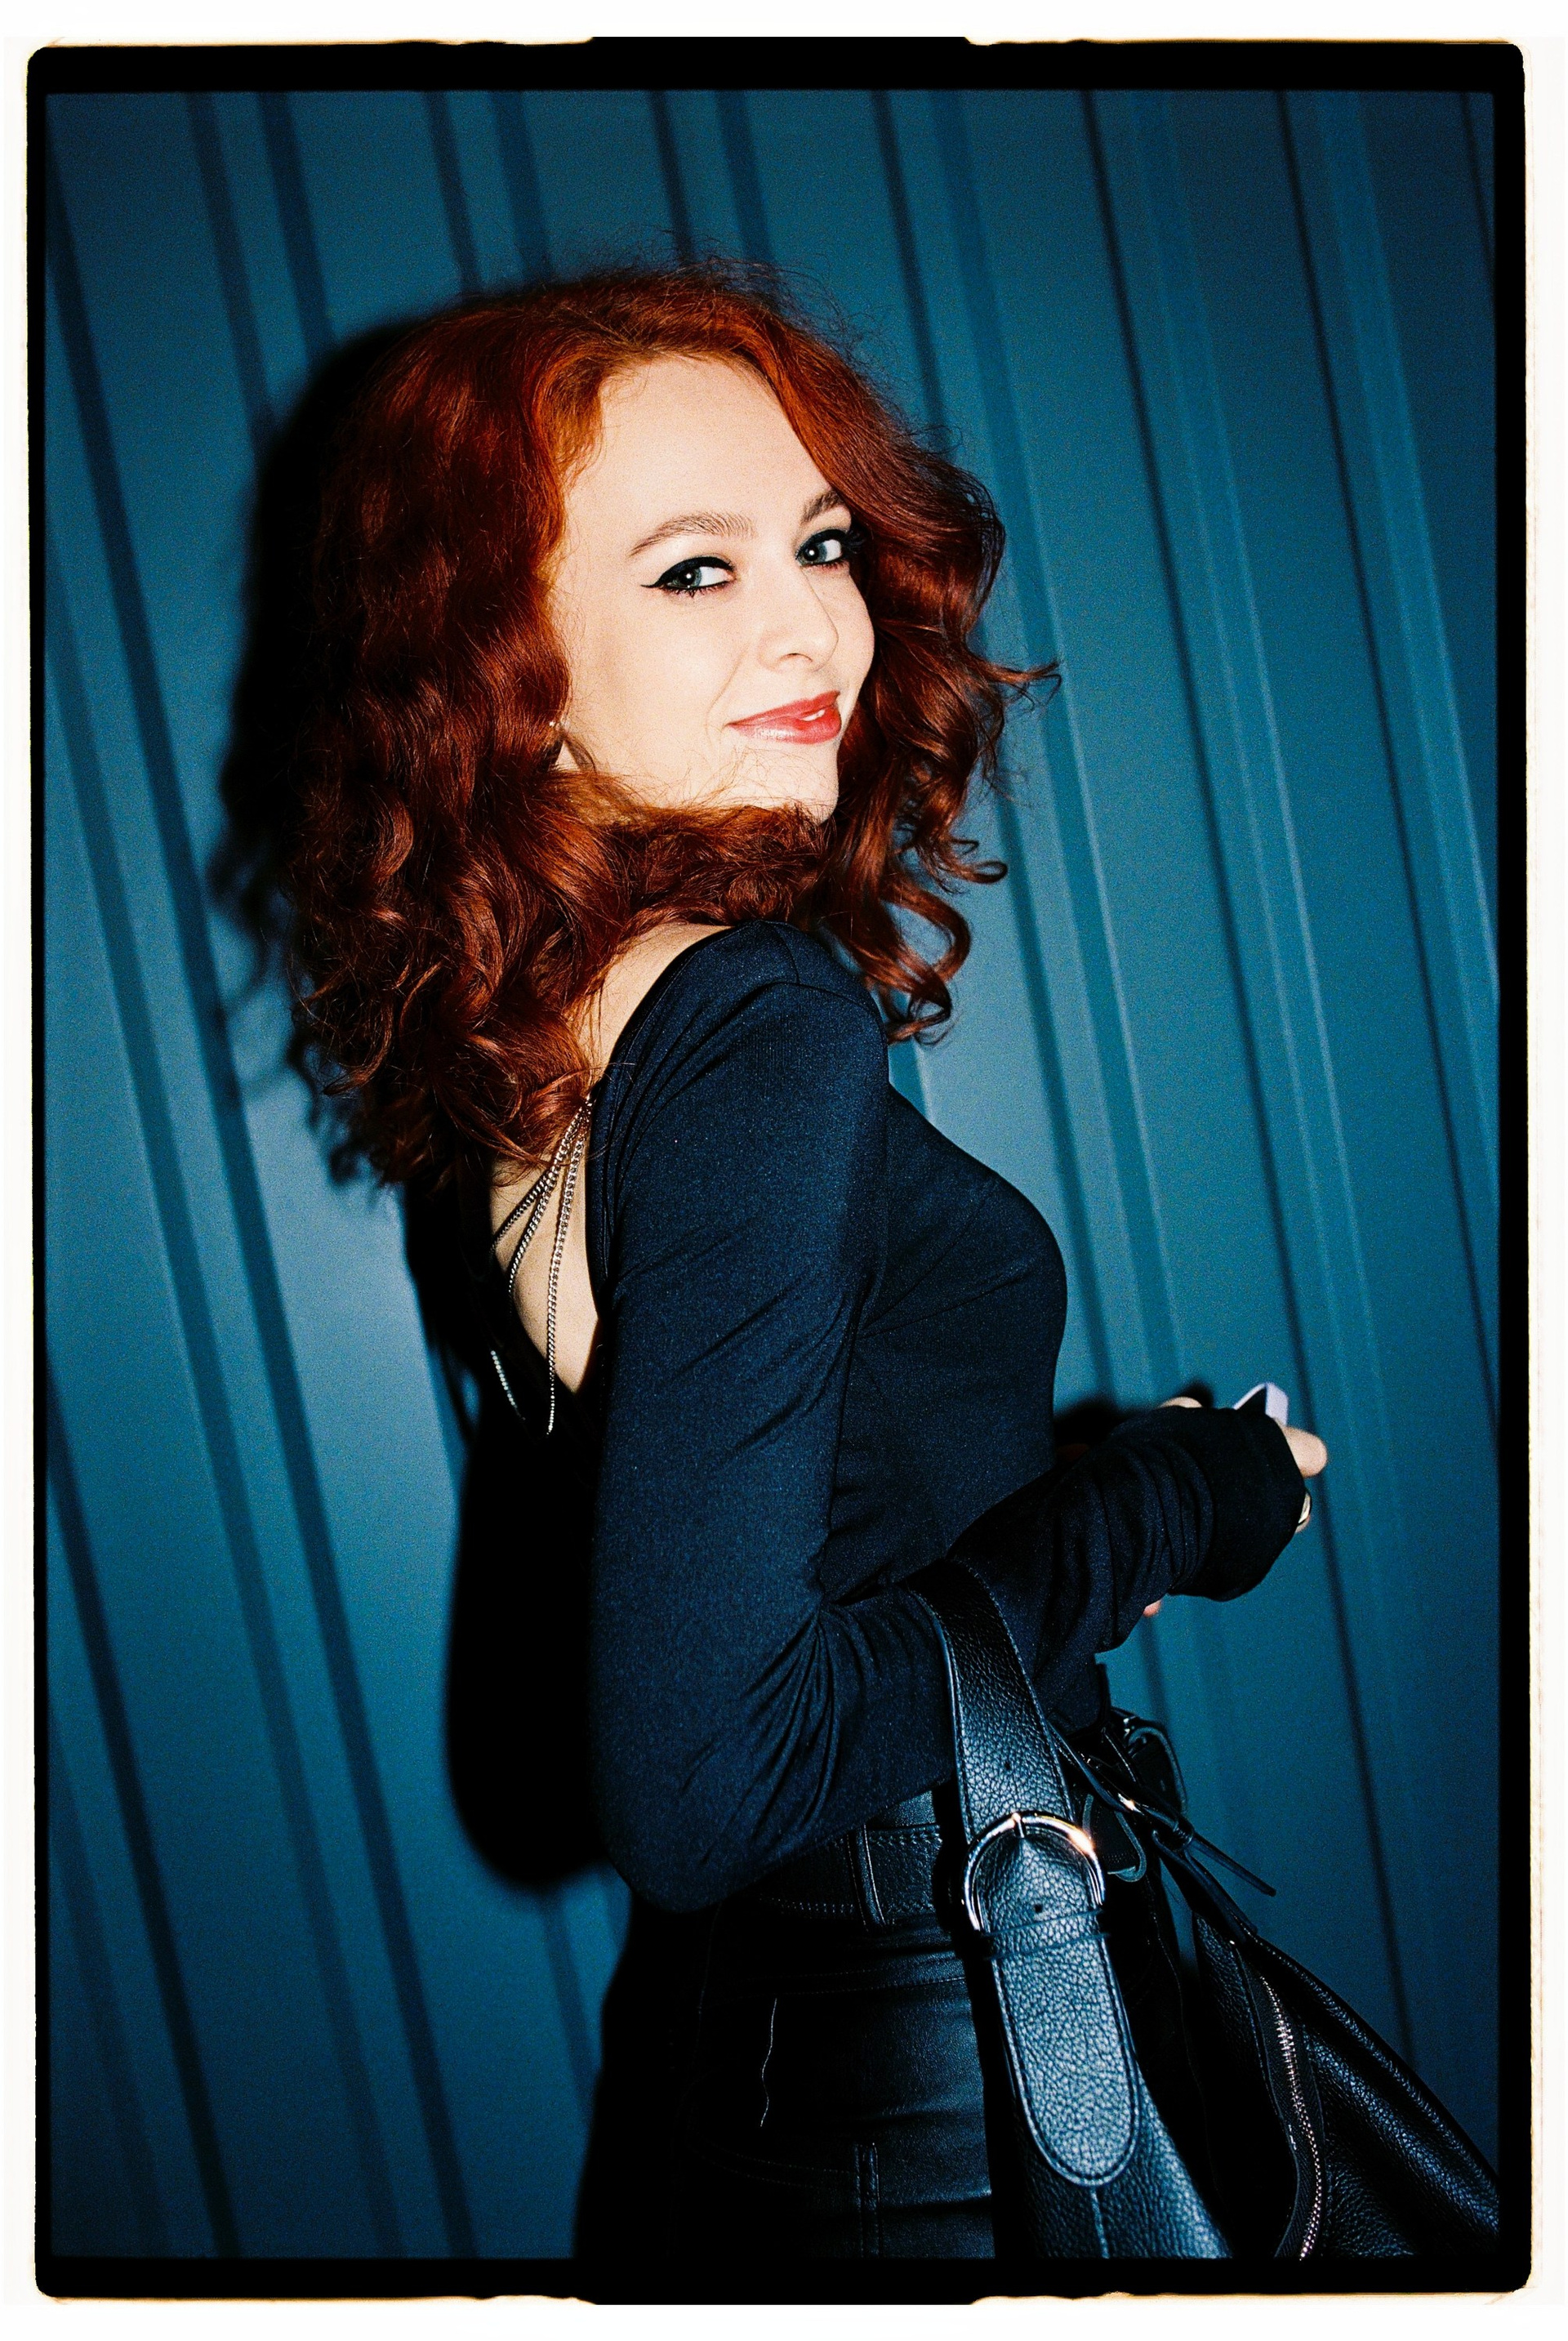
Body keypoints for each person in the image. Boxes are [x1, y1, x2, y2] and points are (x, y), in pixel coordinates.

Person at [286, 264, 1326, 2261]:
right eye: (697, 568)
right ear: (507, 661)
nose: (814, 626)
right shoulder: (757, 1022)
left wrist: (1054, 1510)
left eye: (825, 543)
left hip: (754, 2069)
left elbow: (797, 1531)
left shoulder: (552, 1023)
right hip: (945, 2103)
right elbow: (708, 1774)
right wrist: (1179, 1496)